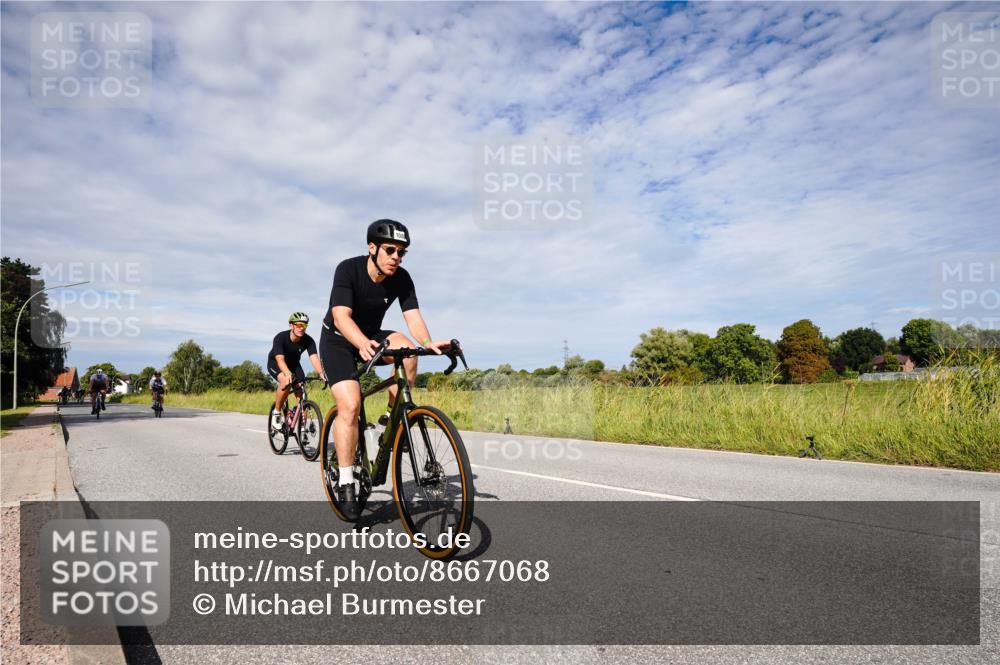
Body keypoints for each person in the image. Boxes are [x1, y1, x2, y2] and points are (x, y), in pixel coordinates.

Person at [320, 219, 449, 519]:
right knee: (350, 406)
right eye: (390, 250)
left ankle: (389, 423)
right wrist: (361, 343)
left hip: (371, 335)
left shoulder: (402, 278)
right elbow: (341, 317)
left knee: (409, 352)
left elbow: (413, 317)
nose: (396, 258)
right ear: (372, 248)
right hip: (339, 339)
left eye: (401, 253)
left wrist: (428, 342)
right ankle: (347, 479)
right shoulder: (348, 269)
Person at [268, 312, 327, 429]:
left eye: (304, 326)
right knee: (286, 382)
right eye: (298, 325)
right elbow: (280, 359)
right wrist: (287, 373)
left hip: (294, 365)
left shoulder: (308, 340)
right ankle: (276, 413)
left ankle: (299, 419)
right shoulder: (280, 338)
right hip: (276, 363)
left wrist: (321, 373)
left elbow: (314, 357)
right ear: (291, 325)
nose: (301, 328)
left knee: (301, 390)